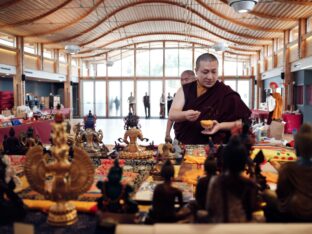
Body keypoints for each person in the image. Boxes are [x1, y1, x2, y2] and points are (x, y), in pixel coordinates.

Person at [169, 53, 251, 144]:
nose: (210, 77)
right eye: (205, 72)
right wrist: (185, 115)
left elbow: (242, 123)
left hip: (214, 148)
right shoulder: (185, 90)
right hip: (186, 146)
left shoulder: (225, 92)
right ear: (196, 71)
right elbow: (172, 114)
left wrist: (220, 126)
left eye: (214, 72)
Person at [263, 123, 312, 222]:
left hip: (293, 210)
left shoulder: (289, 168)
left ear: (297, 148)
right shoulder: (288, 168)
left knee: (267, 194)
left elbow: (281, 193)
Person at [206, 136, 258, 222]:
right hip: (240, 225)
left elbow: (210, 208)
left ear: (224, 160)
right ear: (243, 162)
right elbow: (250, 212)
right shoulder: (250, 184)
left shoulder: (216, 181)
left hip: (219, 225)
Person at [165, 70, 196, 143]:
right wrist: (167, 134)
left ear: (195, 79)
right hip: (181, 133)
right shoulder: (179, 94)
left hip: (195, 133)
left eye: (186, 79)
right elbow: (171, 115)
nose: (183, 82)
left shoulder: (200, 93)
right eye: (181, 80)